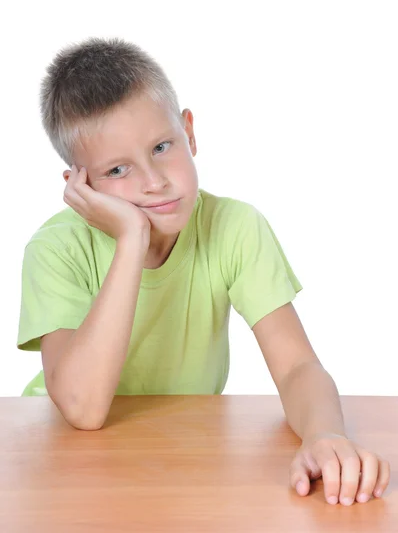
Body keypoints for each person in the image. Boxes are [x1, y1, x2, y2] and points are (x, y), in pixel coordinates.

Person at [17, 37, 389, 506]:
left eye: (162, 146)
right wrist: (131, 239)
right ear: (79, 183)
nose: (155, 181)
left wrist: (324, 434)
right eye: (116, 170)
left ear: (189, 131)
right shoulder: (56, 249)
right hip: (64, 454)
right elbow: (83, 410)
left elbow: (297, 366)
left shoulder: (234, 228)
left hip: (180, 446)